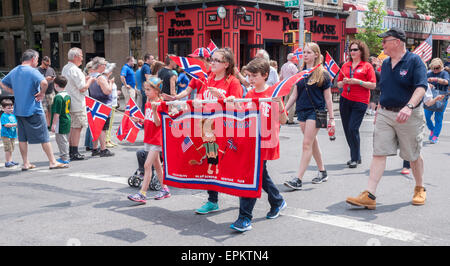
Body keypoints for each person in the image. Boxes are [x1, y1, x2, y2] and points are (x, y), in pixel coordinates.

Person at [346, 27, 428, 209]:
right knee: (378, 152)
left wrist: (409, 106)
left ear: (397, 42)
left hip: (409, 114)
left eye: (385, 40)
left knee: (413, 155)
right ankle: (370, 194)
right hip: (385, 113)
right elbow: (384, 88)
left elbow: (421, 87)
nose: (382, 44)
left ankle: (419, 188)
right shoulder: (385, 63)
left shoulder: (414, 61)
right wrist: (378, 109)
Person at [227, 57, 288, 232]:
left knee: (252, 176)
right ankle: (277, 201)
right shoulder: (249, 94)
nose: (251, 79)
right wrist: (231, 103)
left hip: (266, 141)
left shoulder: (273, 94)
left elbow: (283, 120)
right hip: (251, 141)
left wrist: (280, 105)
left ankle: (244, 217)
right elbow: (243, 116)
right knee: (259, 176)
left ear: (265, 75)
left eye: (254, 76)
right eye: (249, 76)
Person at [0, 49, 68, 170]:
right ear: (32, 59)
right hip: (33, 109)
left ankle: (25, 163)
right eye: (37, 59)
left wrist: (14, 92)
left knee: (22, 138)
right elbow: (44, 82)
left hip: (19, 110)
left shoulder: (15, 70)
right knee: (44, 136)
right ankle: (52, 161)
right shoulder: (32, 71)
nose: (37, 62)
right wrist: (42, 93)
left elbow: (2, 82)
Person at [194, 47, 243, 214]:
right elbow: (200, 99)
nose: (211, 63)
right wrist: (197, 102)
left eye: (216, 60)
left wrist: (221, 97)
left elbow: (237, 108)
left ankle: (248, 195)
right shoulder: (208, 80)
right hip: (208, 128)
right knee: (211, 164)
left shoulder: (233, 82)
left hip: (226, 131)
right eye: (211, 59)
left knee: (233, 166)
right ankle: (212, 200)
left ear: (226, 64)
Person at [283, 42, 335, 190]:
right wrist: (285, 110)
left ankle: (298, 179)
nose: (305, 55)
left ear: (316, 55)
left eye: (309, 52)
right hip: (302, 111)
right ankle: (323, 171)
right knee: (312, 142)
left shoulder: (323, 73)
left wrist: (332, 119)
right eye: (304, 52)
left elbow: (328, 98)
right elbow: (294, 95)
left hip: (316, 112)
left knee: (306, 143)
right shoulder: (301, 73)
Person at [128, 77, 171, 203]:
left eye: (148, 89)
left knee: (147, 165)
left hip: (157, 139)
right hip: (149, 137)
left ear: (157, 91)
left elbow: (158, 124)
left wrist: (154, 110)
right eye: (145, 89)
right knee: (157, 165)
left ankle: (142, 193)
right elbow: (150, 120)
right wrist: (141, 120)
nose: (145, 92)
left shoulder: (160, 104)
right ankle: (165, 189)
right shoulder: (148, 103)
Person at [337, 40, 377, 168]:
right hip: (345, 99)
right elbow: (338, 83)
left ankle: (354, 157)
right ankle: (356, 156)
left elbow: (373, 85)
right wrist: (343, 83)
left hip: (360, 101)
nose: (352, 52)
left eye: (355, 50)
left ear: (361, 51)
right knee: (347, 130)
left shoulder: (367, 66)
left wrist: (357, 82)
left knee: (353, 128)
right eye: (351, 50)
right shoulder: (345, 65)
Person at [62, 47, 94, 161]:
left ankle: (71, 150)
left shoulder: (66, 68)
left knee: (72, 127)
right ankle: (74, 152)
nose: (82, 58)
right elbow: (82, 88)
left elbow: (72, 83)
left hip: (69, 101)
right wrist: (90, 80)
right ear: (75, 57)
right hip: (77, 102)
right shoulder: (76, 70)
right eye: (81, 56)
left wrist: (84, 78)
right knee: (77, 127)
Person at [88, 57, 115, 157]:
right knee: (103, 128)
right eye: (104, 64)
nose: (105, 66)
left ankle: (95, 149)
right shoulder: (101, 78)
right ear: (99, 66)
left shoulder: (90, 76)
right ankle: (103, 149)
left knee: (95, 127)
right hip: (103, 105)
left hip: (93, 104)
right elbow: (107, 91)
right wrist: (111, 83)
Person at [423, 58, 449, 144]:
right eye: (433, 68)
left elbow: (446, 82)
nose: (435, 70)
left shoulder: (444, 73)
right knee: (427, 116)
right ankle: (432, 130)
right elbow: (423, 82)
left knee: (438, 118)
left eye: (437, 68)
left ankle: (435, 136)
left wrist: (436, 80)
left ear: (441, 66)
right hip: (430, 97)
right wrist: (428, 84)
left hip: (441, 97)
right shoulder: (429, 73)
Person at [50, 75, 71, 164]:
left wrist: (53, 124)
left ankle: (65, 157)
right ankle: (64, 155)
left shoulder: (58, 97)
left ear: (55, 85)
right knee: (65, 139)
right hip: (67, 118)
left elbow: (57, 113)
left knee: (61, 140)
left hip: (60, 121)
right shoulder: (67, 95)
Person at [37, 56, 56, 128]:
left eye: (49, 65)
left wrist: (53, 79)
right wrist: (45, 79)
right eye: (46, 65)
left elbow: (55, 77)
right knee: (44, 110)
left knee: (52, 109)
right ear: (42, 62)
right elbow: (35, 82)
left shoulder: (51, 69)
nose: (48, 66)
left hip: (50, 92)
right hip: (42, 93)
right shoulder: (37, 70)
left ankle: (51, 125)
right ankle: (45, 125)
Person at [280, 53, 299, 124]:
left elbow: (281, 76)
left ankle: (284, 118)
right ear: (292, 59)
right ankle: (290, 119)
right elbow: (297, 75)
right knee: (292, 102)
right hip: (292, 84)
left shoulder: (283, 66)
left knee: (285, 102)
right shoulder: (292, 66)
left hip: (285, 84)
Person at [104, 63, 119, 149]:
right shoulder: (106, 80)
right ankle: (106, 140)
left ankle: (108, 139)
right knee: (108, 124)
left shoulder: (108, 79)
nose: (112, 71)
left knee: (110, 124)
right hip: (110, 104)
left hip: (113, 103)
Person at [1, 99, 19, 167]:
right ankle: (7, 161)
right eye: (8, 108)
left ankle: (10, 160)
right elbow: (6, 125)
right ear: (3, 109)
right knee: (8, 148)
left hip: (12, 134)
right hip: (6, 135)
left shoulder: (12, 115)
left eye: (11, 107)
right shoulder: (4, 116)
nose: (11, 109)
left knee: (11, 148)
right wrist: (15, 124)